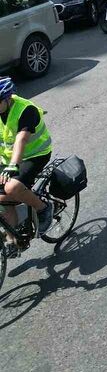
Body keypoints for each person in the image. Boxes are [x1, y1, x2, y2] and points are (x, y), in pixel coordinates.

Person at [0, 77, 53, 246]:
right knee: (2, 198)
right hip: (8, 157)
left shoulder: (25, 110)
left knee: (12, 187)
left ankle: (43, 208)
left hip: (35, 155)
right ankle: (13, 239)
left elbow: (21, 139)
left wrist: (12, 166)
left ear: (8, 98)